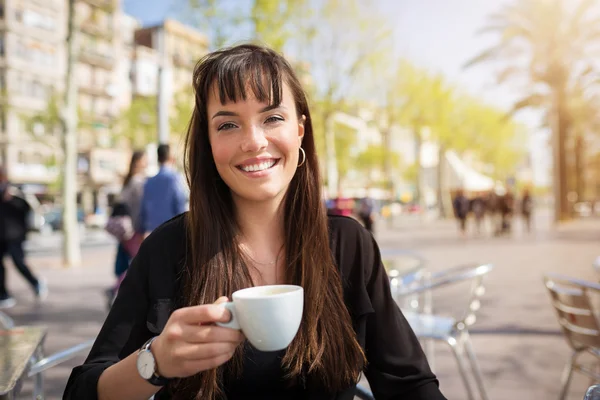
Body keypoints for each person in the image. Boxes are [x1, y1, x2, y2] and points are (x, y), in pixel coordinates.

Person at [64, 44, 446, 400]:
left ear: (299, 129)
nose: (253, 141)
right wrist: (155, 361)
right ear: (209, 142)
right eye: (228, 125)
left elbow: (410, 383)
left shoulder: (348, 245)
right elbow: (83, 390)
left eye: (273, 118)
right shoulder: (167, 249)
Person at [105, 151, 148, 306]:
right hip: (134, 230)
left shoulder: (128, 182)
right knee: (139, 263)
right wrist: (143, 229)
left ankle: (118, 288)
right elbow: (140, 209)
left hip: (127, 230)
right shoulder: (138, 182)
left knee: (134, 262)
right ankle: (115, 288)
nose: (147, 163)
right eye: (144, 160)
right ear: (138, 162)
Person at [0, 167, 47, 308]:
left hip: (15, 235)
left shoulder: (16, 193)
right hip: (1, 236)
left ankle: (36, 282)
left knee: (18, 262)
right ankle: (3, 294)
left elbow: (27, 210)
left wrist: (10, 199)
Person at [139, 144, 187, 236]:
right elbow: (179, 203)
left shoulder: (149, 181)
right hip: (172, 231)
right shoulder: (174, 178)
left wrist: (142, 230)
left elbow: (143, 209)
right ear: (170, 157)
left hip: (153, 232)